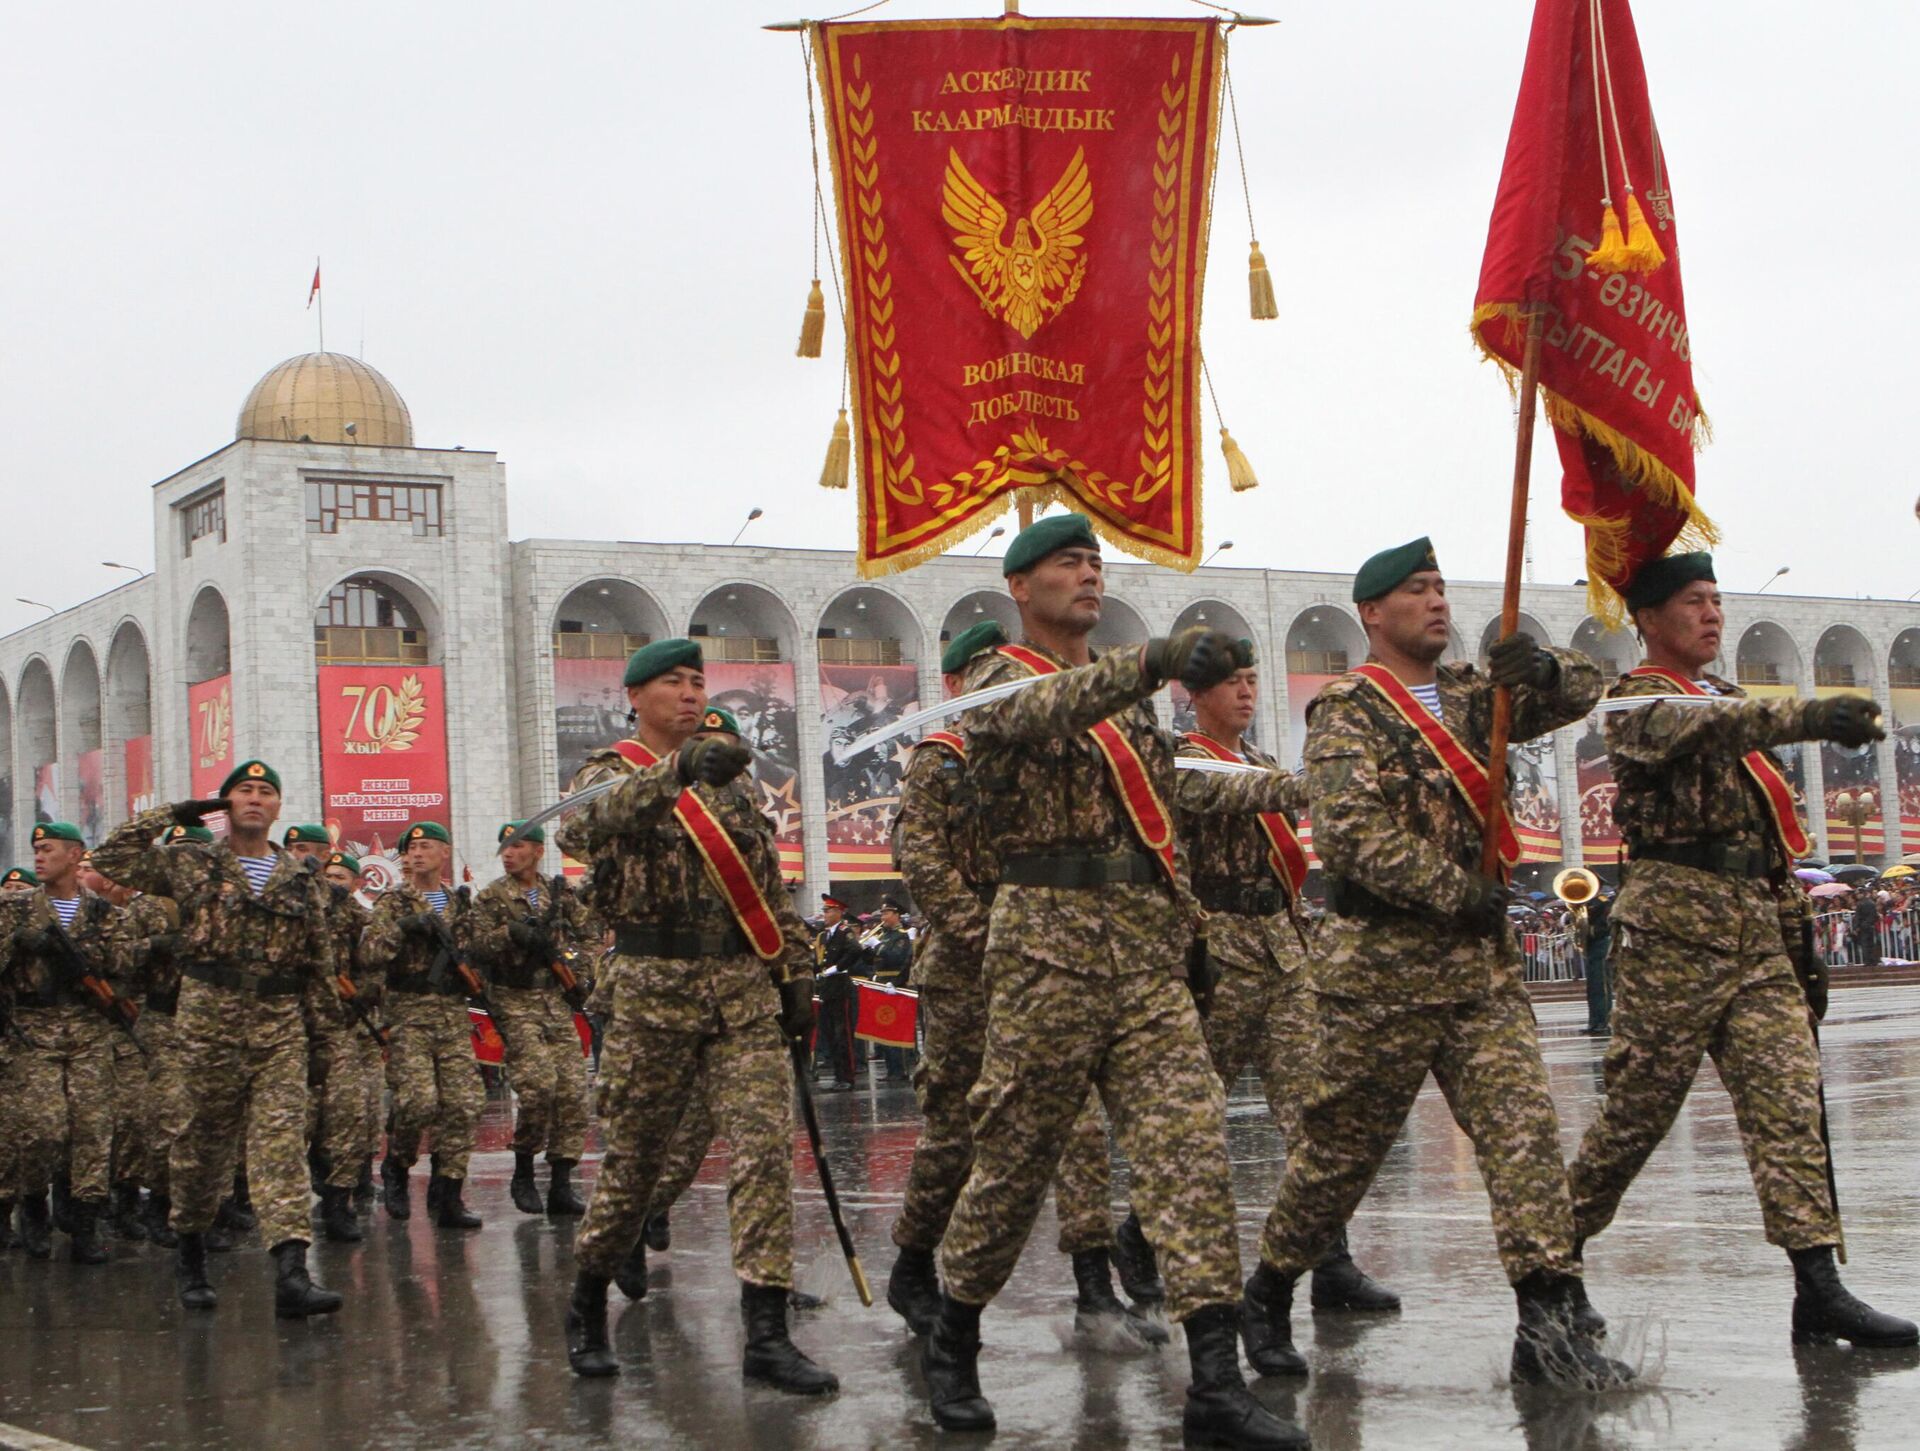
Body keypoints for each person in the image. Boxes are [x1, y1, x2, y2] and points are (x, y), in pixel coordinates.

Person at [923, 513, 1304, 1449]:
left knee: (1188, 1149)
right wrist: (1147, 664)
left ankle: (1215, 1380)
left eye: (1095, 560)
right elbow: (1035, 714)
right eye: (1067, 560)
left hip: (1143, 952)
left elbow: (1170, 789)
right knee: (1010, 1165)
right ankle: (954, 1332)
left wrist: (1288, 792)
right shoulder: (995, 680)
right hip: (1046, 949)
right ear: (1020, 586)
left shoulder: (1129, 698)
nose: (1089, 572)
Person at [1242, 537, 1628, 1389]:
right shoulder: (1346, 709)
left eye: (1443, 587)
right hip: (1380, 968)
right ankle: (1268, 1289)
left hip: (1476, 973)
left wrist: (1544, 668)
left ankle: (1548, 1321)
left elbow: (1586, 694)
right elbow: (1350, 834)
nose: (1438, 601)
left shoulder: (1472, 695)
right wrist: (1453, 889)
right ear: (1373, 613)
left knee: (1522, 1136)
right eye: (1417, 590)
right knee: (1339, 1153)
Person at [1564, 552, 1915, 1348]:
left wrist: (1799, 941)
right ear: (1649, 618)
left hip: (1755, 927)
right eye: (1695, 601)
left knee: (1789, 1106)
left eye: (1718, 600)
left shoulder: (1722, 694)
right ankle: (1550, 1263)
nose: (1713, 614)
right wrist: (1807, 715)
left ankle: (1819, 1285)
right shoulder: (1637, 700)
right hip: (1675, 933)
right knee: (1636, 1116)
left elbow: (1767, 837)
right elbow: (1705, 728)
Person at [557, 641, 835, 1393]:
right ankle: (585, 1296)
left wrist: (796, 971)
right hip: (653, 984)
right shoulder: (607, 771)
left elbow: (770, 884)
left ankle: (766, 1332)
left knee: (762, 1146)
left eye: (697, 682)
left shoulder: (732, 782)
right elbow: (580, 830)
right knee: (637, 1158)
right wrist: (676, 772)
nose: (689, 694)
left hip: (740, 983)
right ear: (635, 695)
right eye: (673, 683)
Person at [886, 619, 1161, 1354]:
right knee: (955, 1132)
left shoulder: (1047, 750)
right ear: (954, 686)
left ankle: (1094, 1286)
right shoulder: (937, 763)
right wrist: (988, 933)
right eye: (980, 668)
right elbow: (924, 866)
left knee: (1075, 1126)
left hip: (1042, 955)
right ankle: (913, 1261)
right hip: (966, 967)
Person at [1166, 638, 1400, 1323]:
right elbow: (1235, 795)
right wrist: (1325, 778)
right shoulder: (1183, 759)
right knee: (1189, 1117)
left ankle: (1332, 1264)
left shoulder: (1261, 758)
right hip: (1221, 954)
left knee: (1313, 1116)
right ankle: (1140, 1245)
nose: (1246, 692)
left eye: (1250, 679)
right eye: (1231, 682)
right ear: (1196, 694)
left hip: (1282, 951)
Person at [92, 762, 343, 1317]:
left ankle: (292, 1273)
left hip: (278, 1022)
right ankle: (190, 1250)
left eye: (266, 793)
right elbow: (110, 861)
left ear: (278, 808)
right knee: (201, 1150)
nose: (254, 800)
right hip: (208, 1021)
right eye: (244, 791)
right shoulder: (191, 861)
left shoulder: (301, 877)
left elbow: (319, 964)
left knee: (280, 1144)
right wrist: (171, 815)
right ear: (226, 803)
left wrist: (325, 1042)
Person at [0, 823, 129, 1264]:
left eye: (48, 849)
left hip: (88, 1029)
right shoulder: (15, 909)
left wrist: (94, 965)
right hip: (34, 1029)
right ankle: (33, 1201)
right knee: (43, 1129)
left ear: (75, 856)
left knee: (92, 1130)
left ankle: (85, 1223)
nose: (38, 856)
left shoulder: (103, 914)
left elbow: (126, 965)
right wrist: (16, 943)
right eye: (35, 849)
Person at [467, 821, 594, 1217]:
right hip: (513, 998)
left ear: (537, 851)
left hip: (554, 1000)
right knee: (539, 1086)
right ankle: (523, 1166)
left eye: (517, 846)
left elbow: (589, 932)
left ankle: (561, 1180)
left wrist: (579, 969)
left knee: (573, 1090)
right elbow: (474, 946)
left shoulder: (559, 895)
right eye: (504, 847)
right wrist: (512, 934)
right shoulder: (490, 898)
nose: (508, 854)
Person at [364, 820, 485, 1230]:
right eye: (412, 847)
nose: (417, 853)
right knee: (417, 1101)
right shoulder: (392, 902)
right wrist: (402, 928)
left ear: (445, 852)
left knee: (463, 1104)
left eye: (427, 846)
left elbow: (475, 953)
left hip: (451, 1013)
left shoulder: (460, 903)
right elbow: (370, 953)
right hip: (408, 1012)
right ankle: (397, 1166)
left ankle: (447, 1191)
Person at [321, 849, 384, 1215]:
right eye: (329, 877)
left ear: (356, 883)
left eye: (341, 878)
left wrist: (366, 992)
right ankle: (331, 1182)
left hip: (359, 1025)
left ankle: (360, 1175)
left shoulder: (364, 920)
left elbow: (377, 962)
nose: (333, 884)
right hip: (322, 1027)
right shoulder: (310, 918)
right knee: (331, 1112)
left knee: (366, 1106)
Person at [813, 894, 862, 1089]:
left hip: (841, 988)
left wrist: (838, 967)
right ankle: (838, 1076)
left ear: (838, 913)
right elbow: (819, 959)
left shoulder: (844, 932)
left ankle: (848, 1077)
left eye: (828, 910)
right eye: (824, 910)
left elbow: (855, 950)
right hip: (828, 989)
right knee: (831, 1036)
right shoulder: (824, 935)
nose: (825, 914)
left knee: (844, 1036)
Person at [865, 898, 915, 1081]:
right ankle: (890, 1069)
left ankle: (900, 1069)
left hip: (894, 983)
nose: (883, 917)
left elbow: (897, 957)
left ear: (896, 915)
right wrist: (867, 949)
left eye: (886, 913)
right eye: (883, 913)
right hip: (880, 982)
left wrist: (877, 946)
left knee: (895, 1028)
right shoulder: (884, 935)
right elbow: (874, 961)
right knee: (883, 1027)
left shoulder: (901, 936)